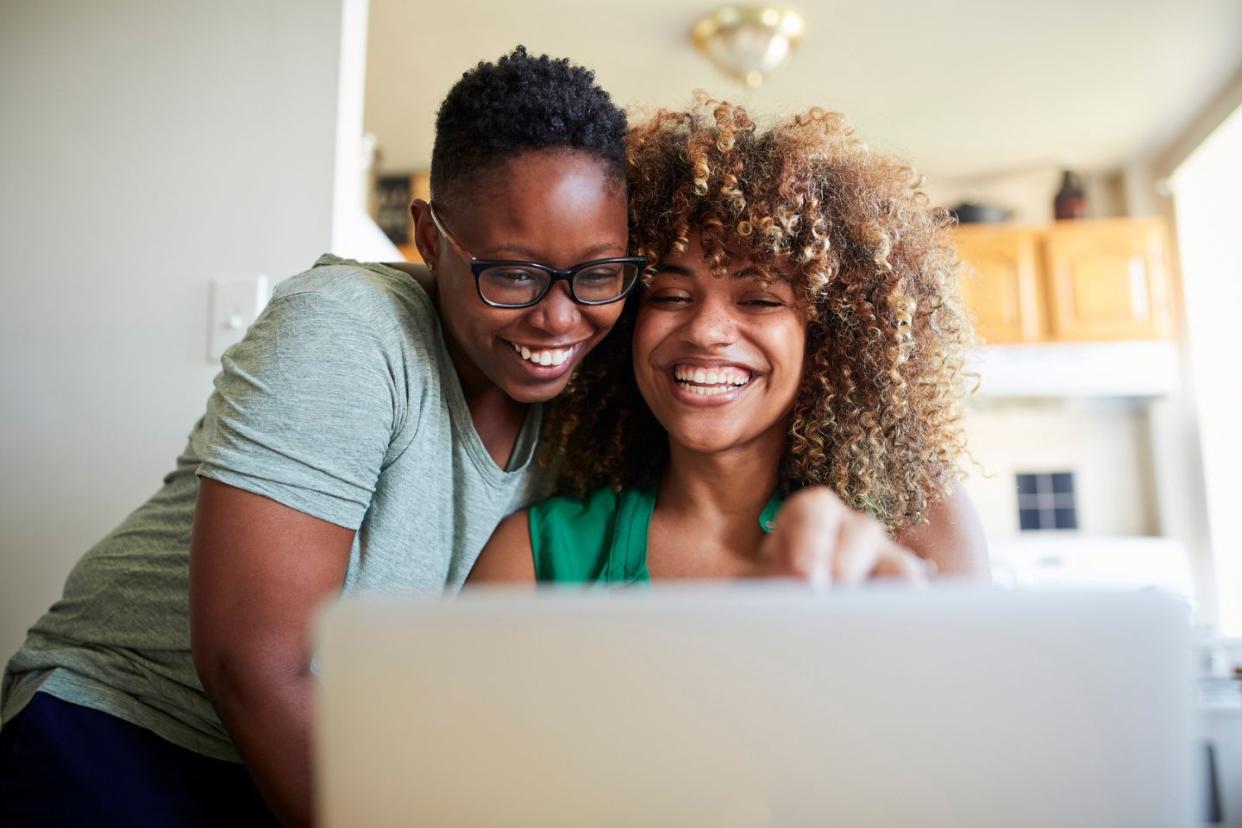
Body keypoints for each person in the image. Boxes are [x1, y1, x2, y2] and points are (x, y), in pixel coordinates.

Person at [0, 47, 640, 826]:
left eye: (598, 274)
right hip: (127, 729)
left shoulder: (590, 405)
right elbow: (253, 668)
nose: (559, 317)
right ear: (431, 239)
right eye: (511, 273)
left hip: (319, 759)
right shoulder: (347, 326)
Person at [470, 98, 988, 586]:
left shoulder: (918, 522)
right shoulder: (534, 559)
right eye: (670, 295)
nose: (704, 330)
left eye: (760, 300)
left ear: (830, 333)